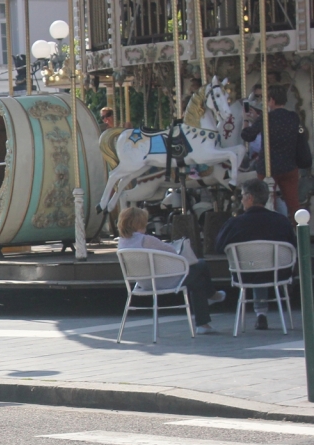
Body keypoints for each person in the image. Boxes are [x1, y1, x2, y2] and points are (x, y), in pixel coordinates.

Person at [117, 206, 225, 334]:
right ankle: (211, 297)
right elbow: (173, 253)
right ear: (140, 222)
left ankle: (205, 321)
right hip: (163, 281)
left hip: (142, 283)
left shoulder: (122, 243)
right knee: (200, 264)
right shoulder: (147, 240)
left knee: (198, 281)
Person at [216, 177, 298, 330]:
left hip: (245, 274)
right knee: (264, 266)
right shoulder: (281, 221)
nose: (241, 201)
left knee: (256, 265)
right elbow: (293, 246)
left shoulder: (235, 224)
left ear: (250, 198)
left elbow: (218, 247)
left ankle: (260, 314)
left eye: (242, 196)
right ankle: (264, 314)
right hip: (279, 273)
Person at [241, 83, 307, 217]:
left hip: (268, 167)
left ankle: (268, 229)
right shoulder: (293, 117)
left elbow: (247, 135)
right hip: (289, 166)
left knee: (264, 202)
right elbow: (300, 132)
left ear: (271, 100)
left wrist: (246, 121)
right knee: (294, 204)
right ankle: (299, 230)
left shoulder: (267, 118)